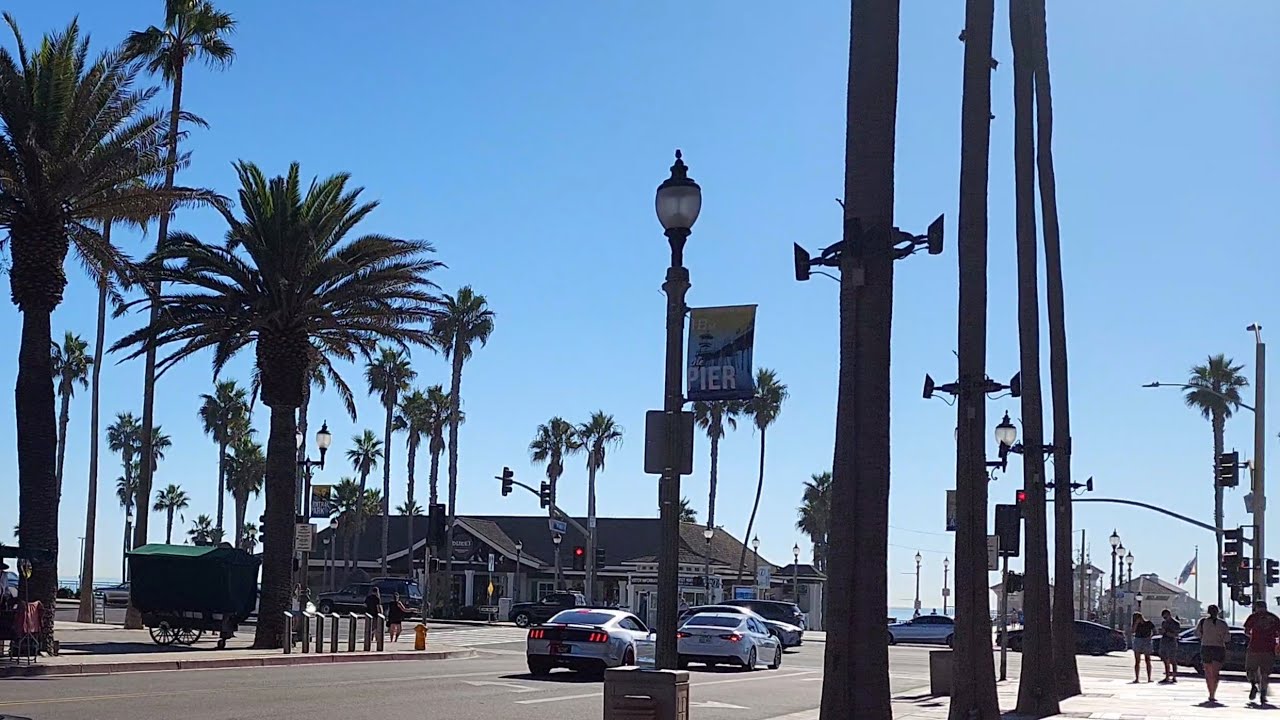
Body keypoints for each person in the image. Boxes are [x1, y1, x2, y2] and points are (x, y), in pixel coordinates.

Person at [1244, 600, 1280, 704]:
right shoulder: (1274, 618)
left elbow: (1246, 631)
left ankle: (1253, 685)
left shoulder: (1253, 617)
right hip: (1269, 649)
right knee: (1265, 673)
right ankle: (1263, 693)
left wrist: (1253, 636)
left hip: (1254, 648)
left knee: (1250, 670)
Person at [1196, 604, 1230, 705]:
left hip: (1206, 647)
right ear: (1218, 612)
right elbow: (1227, 638)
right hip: (1218, 648)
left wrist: (1205, 636)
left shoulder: (1203, 622)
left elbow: (1197, 633)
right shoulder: (1222, 623)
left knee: (1208, 672)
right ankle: (1213, 693)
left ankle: (1211, 692)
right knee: (1215, 672)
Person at [1131, 612, 1156, 683]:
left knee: (1147, 660)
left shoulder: (1148, 623)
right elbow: (1133, 631)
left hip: (1146, 640)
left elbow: (1155, 631)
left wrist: (1150, 637)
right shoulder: (1136, 624)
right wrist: (1136, 623)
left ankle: (1149, 678)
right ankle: (1137, 678)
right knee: (1137, 661)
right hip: (1138, 639)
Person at [1158, 609, 1181, 683]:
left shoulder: (1176, 623)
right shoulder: (1164, 623)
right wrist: (1161, 632)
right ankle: (1167, 676)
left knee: (1173, 660)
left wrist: (1167, 633)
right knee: (1165, 660)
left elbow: (1176, 635)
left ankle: (1174, 676)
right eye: (1164, 617)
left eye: (1166, 617)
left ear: (1169, 615)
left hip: (1172, 642)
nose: (1165, 619)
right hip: (1164, 642)